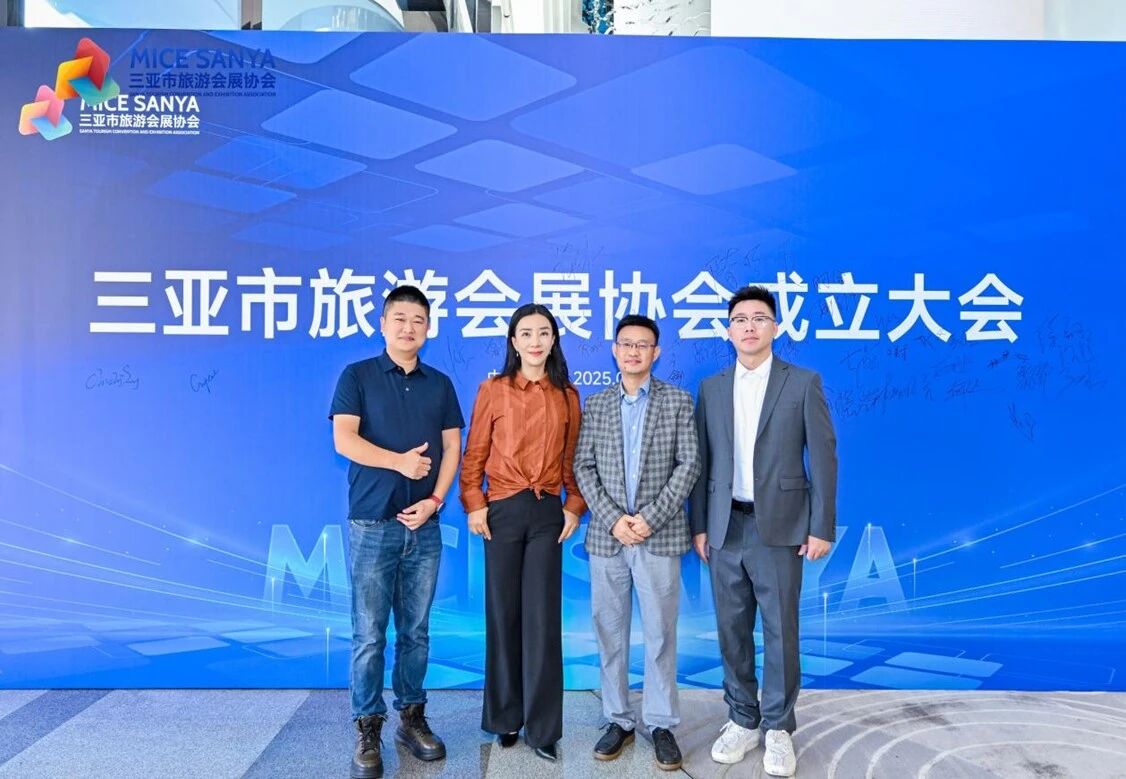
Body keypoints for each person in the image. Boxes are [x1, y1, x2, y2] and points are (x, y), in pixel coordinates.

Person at [690, 285, 837, 777]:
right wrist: (699, 525)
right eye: (740, 319)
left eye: (759, 318)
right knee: (731, 631)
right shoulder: (712, 387)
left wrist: (820, 526)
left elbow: (824, 457)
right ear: (728, 330)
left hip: (781, 526)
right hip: (724, 525)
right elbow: (701, 461)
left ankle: (778, 727)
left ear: (776, 327)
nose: (749, 326)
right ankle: (742, 719)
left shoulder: (803, 382)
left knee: (780, 630)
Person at [329, 285, 464, 779]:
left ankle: (411, 717)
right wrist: (399, 463)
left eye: (418, 320)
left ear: (428, 328)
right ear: (383, 324)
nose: (409, 328)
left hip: (424, 527)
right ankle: (368, 726)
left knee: (416, 631)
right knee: (369, 634)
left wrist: (434, 500)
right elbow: (344, 439)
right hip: (373, 525)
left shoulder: (440, 384)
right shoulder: (358, 375)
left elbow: (453, 448)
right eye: (400, 319)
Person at [459, 303, 586, 762]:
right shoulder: (493, 390)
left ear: (554, 341)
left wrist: (574, 505)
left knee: (543, 621)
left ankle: (544, 728)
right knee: (503, 616)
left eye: (544, 333)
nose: (535, 341)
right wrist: (474, 502)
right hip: (503, 512)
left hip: (547, 513)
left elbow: (572, 460)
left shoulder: (567, 396)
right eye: (526, 333)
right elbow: (475, 452)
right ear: (513, 342)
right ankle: (505, 719)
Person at [573, 314, 700, 771]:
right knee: (609, 632)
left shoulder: (678, 401)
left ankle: (662, 723)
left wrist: (648, 518)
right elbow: (583, 466)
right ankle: (618, 719)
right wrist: (614, 520)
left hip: (658, 535)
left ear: (656, 352)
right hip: (609, 538)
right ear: (614, 350)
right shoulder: (597, 404)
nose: (633, 352)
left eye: (642, 345)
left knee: (661, 633)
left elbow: (689, 464)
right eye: (626, 344)